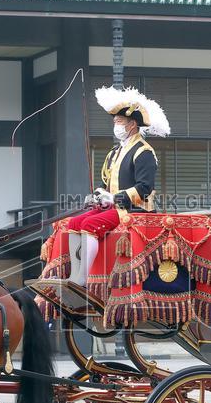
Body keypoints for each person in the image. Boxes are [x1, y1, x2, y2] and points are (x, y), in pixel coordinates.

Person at [66, 87, 170, 286]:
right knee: (73, 223)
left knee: (89, 226)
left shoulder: (144, 152)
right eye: (115, 122)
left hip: (135, 209)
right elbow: (105, 182)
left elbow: (144, 188)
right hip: (114, 207)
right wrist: (97, 194)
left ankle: (83, 279)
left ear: (132, 124)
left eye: (119, 122)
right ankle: (74, 275)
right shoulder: (115, 152)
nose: (115, 126)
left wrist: (114, 198)